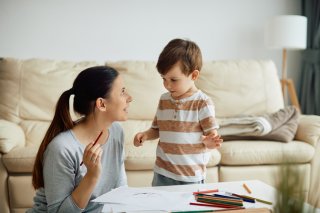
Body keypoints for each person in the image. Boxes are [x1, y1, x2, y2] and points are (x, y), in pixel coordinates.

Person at [27, 66, 132, 212]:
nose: (129, 98)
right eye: (122, 92)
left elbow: (120, 189)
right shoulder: (62, 148)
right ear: (101, 104)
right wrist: (91, 176)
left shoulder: (116, 132)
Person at [133, 38, 223, 186]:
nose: (167, 85)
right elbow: (156, 129)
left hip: (190, 177)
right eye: (164, 78)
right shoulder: (164, 100)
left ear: (193, 76)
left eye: (174, 80)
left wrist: (209, 143)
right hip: (162, 173)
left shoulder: (202, 103)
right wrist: (145, 135)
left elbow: (212, 137)